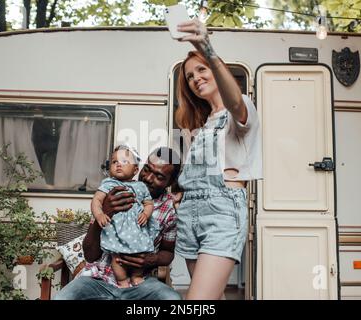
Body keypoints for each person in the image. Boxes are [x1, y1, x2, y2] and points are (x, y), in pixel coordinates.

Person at [173, 18, 262, 299]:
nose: (196, 78)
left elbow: (234, 101)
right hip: (189, 213)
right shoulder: (201, 124)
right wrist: (181, 193)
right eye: (190, 76)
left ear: (216, 69)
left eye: (202, 69)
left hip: (223, 211)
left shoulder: (240, 108)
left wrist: (206, 47)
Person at [53, 147, 182, 300]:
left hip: (140, 282)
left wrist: (150, 260)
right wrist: (105, 212)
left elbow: (168, 253)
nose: (148, 178)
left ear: (171, 182)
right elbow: (90, 255)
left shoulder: (168, 210)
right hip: (98, 279)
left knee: (172, 299)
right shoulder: (115, 192)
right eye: (147, 169)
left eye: (159, 176)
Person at [91, 145, 159, 287]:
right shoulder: (108, 184)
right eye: (115, 162)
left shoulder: (141, 186)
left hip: (137, 230)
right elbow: (96, 200)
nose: (118, 165)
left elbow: (148, 203)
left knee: (140, 252)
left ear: (135, 170)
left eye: (124, 161)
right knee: (117, 256)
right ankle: (122, 280)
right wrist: (99, 214)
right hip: (116, 230)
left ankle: (137, 276)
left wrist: (146, 214)